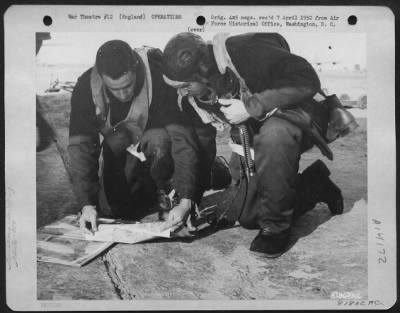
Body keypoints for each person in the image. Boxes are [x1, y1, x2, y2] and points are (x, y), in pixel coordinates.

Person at [162, 32, 346, 258]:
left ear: (202, 69)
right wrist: (186, 200)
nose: (181, 92)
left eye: (185, 84)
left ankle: (276, 228)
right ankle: (316, 184)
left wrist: (250, 107)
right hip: (256, 134)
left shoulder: (246, 49)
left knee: (274, 134)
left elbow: (307, 80)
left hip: (302, 115)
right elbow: (194, 145)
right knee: (250, 217)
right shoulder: (198, 91)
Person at [68, 40, 206, 234]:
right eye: (114, 89)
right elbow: (80, 147)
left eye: (128, 85)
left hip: (157, 146)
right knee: (112, 212)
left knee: (159, 139)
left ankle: (172, 189)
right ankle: (144, 189)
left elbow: (181, 137)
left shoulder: (158, 76)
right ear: (101, 77)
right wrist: (86, 205)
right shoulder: (85, 86)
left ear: (136, 69)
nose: (123, 94)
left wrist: (187, 199)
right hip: (120, 146)